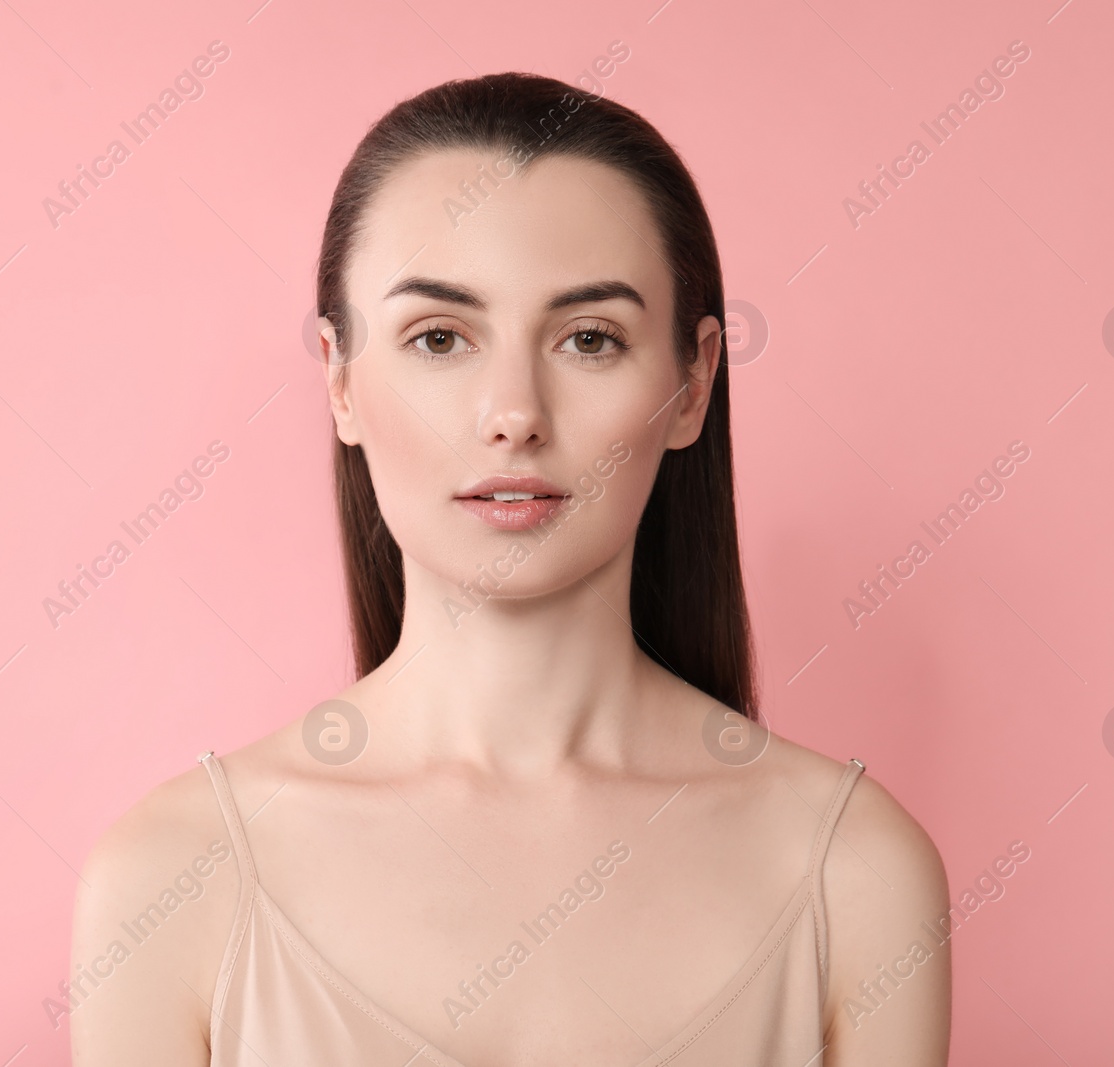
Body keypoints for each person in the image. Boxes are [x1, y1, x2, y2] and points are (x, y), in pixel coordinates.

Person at [70, 71, 951, 1066]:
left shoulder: (854, 871)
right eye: (439, 337)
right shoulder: (173, 877)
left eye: (588, 338)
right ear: (340, 379)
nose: (513, 411)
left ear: (693, 382)